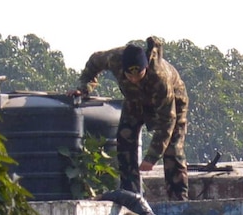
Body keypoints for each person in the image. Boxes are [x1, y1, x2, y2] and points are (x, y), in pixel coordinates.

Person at [70, 37, 190, 201]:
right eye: (129, 76)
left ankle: (178, 200)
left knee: (172, 149)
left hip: (172, 102)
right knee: (125, 139)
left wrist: (152, 157)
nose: (134, 79)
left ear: (145, 68)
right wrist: (83, 87)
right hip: (134, 100)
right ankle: (130, 194)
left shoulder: (160, 77)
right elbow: (93, 63)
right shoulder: (114, 59)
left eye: (139, 75)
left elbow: (167, 121)